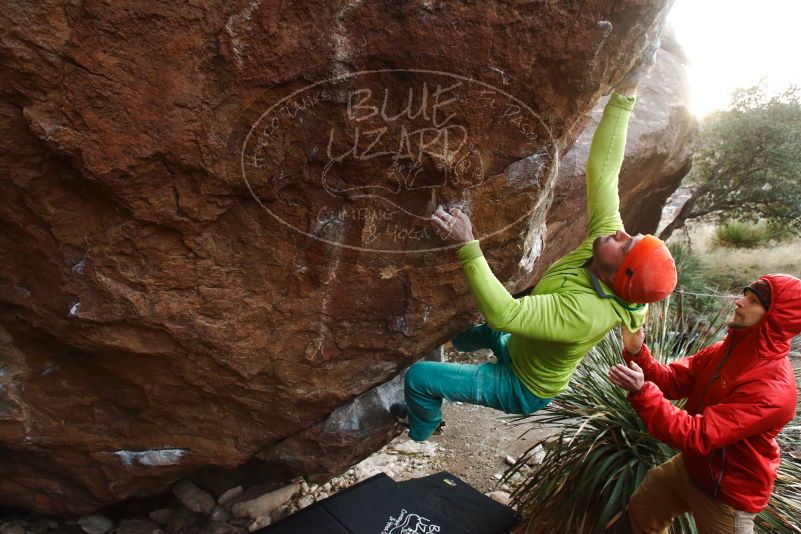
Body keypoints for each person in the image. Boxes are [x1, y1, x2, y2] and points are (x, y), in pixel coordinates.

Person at [390, 61, 678, 442]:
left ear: (615, 277)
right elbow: (604, 172)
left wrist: (467, 244)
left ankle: (422, 427)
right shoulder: (609, 247)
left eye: (625, 244)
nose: (620, 232)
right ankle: (453, 366)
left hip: (522, 384)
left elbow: (504, 313)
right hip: (517, 345)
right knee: (458, 335)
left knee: (420, 377)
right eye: (632, 235)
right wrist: (625, 94)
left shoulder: (587, 312)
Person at [608, 275, 801, 533]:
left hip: (728, 494)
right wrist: (637, 352)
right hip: (691, 466)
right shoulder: (723, 351)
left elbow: (698, 435)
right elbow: (673, 381)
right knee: (641, 513)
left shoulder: (772, 388)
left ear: (776, 319)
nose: (739, 302)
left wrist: (643, 392)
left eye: (753, 301)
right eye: (745, 294)